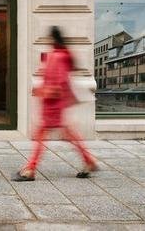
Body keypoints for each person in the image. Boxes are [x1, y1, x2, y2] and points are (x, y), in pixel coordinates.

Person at [13, 26, 97, 181]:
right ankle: (89, 161)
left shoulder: (57, 57)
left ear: (53, 39)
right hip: (54, 104)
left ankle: (31, 169)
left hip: (52, 104)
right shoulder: (61, 56)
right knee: (68, 134)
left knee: (42, 136)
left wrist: (43, 91)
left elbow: (59, 83)